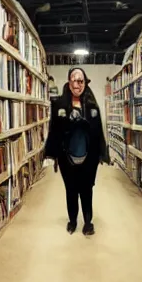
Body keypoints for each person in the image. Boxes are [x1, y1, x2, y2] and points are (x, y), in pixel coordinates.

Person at [44, 67, 109, 236]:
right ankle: (72, 221)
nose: (76, 84)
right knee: (71, 190)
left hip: (89, 158)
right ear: (68, 81)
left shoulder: (92, 105)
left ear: (85, 83)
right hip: (67, 157)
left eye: (80, 81)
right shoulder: (59, 104)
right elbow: (54, 129)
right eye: (73, 80)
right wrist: (51, 153)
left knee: (86, 190)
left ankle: (88, 222)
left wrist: (102, 153)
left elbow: (98, 131)